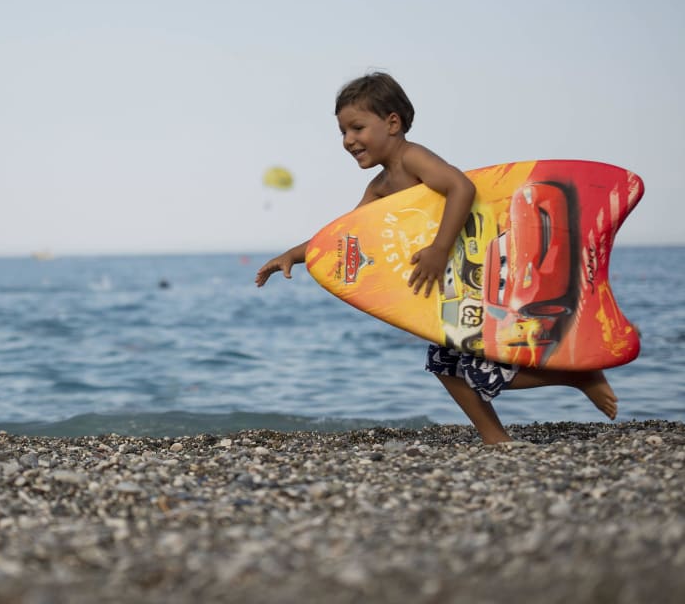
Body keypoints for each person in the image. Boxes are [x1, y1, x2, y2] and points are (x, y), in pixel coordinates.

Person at [254, 72, 617, 445]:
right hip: (451, 288)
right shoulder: (379, 187)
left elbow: (461, 187)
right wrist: (294, 256)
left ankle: (578, 375)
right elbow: (345, 236)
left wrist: (438, 250)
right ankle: (495, 437)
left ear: (392, 122)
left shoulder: (413, 159)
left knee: (479, 365)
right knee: (445, 365)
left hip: (478, 273)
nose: (348, 141)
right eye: (343, 133)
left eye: (357, 128)